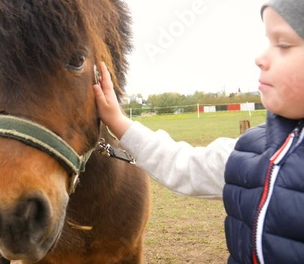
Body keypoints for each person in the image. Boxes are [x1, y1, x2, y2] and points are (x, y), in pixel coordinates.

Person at [93, 0, 304, 263]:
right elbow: (185, 166)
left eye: (282, 44)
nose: (260, 58)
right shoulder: (250, 150)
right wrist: (118, 121)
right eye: (268, 42)